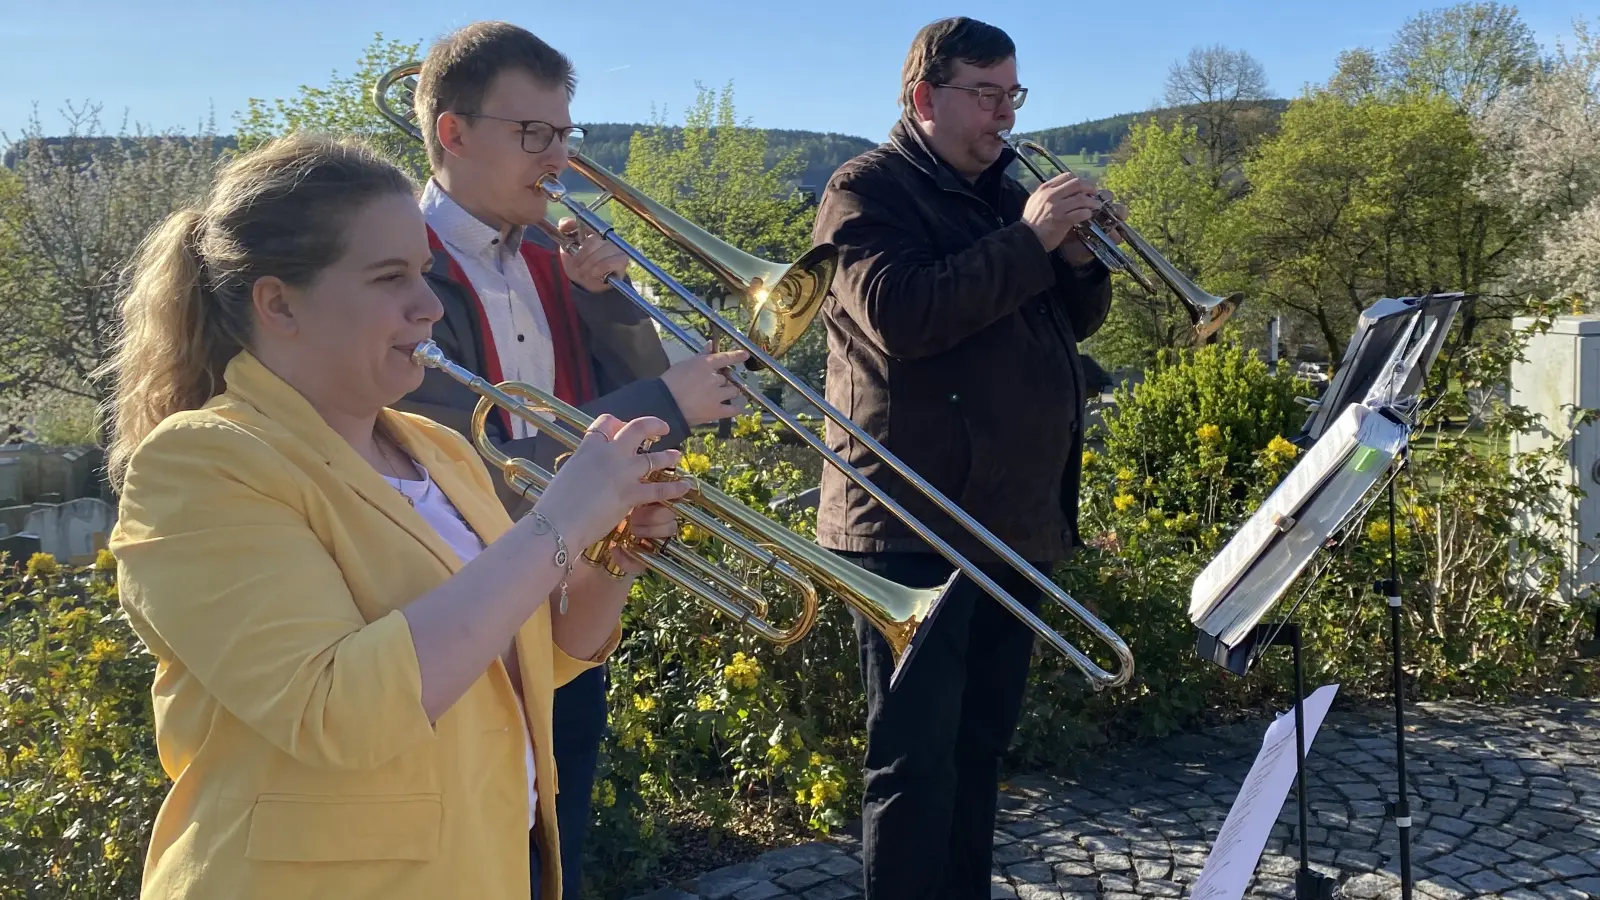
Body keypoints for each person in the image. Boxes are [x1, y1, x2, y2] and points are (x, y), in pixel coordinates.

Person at [101, 133, 688, 900]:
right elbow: (338, 711)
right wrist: (560, 522)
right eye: (390, 278)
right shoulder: (204, 461)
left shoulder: (438, 448)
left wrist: (610, 554)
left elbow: (535, 655)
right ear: (278, 302)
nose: (429, 305)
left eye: (424, 271)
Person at [389, 24, 749, 898]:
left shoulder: (559, 256)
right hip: (453, 624)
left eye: (565, 135)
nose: (558, 160)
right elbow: (470, 464)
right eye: (534, 136)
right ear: (453, 132)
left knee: (556, 860)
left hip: (567, 616)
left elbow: (650, 426)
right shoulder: (399, 272)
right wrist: (666, 397)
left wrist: (612, 311)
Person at [809, 17, 1125, 900]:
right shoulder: (864, 191)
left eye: (1011, 96)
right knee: (915, 766)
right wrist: (1028, 240)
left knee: (979, 750)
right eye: (985, 96)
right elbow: (906, 318)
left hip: (1007, 516)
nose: (1004, 117)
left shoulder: (998, 191)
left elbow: (1068, 324)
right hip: (910, 521)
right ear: (924, 99)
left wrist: (1074, 259)